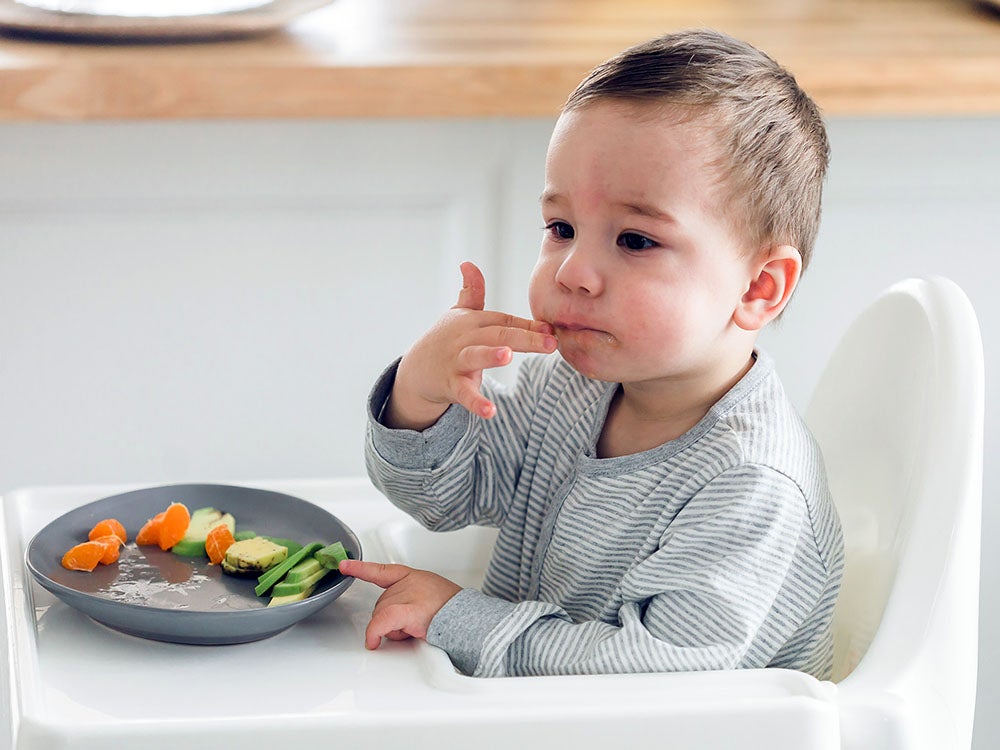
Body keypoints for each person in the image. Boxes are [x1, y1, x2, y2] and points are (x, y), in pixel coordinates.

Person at [339, 28, 845, 680]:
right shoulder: (571, 388)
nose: (575, 271)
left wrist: (453, 617)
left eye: (634, 240)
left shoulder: (752, 487)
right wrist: (421, 394)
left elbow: (656, 674)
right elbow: (445, 498)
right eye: (562, 228)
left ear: (757, 288)